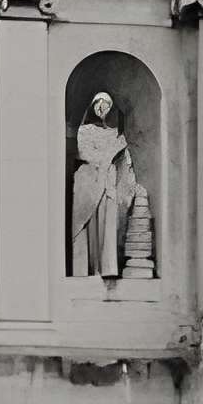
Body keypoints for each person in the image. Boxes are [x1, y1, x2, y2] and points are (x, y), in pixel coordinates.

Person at [71, 92, 137, 278]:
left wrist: (118, 153)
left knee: (108, 224)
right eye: (100, 104)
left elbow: (122, 159)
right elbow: (85, 154)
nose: (103, 108)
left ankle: (108, 268)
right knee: (89, 225)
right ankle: (87, 269)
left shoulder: (113, 132)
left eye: (107, 105)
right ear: (93, 105)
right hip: (89, 182)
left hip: (108, 182)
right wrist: (112, 151)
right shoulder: (84, 131)